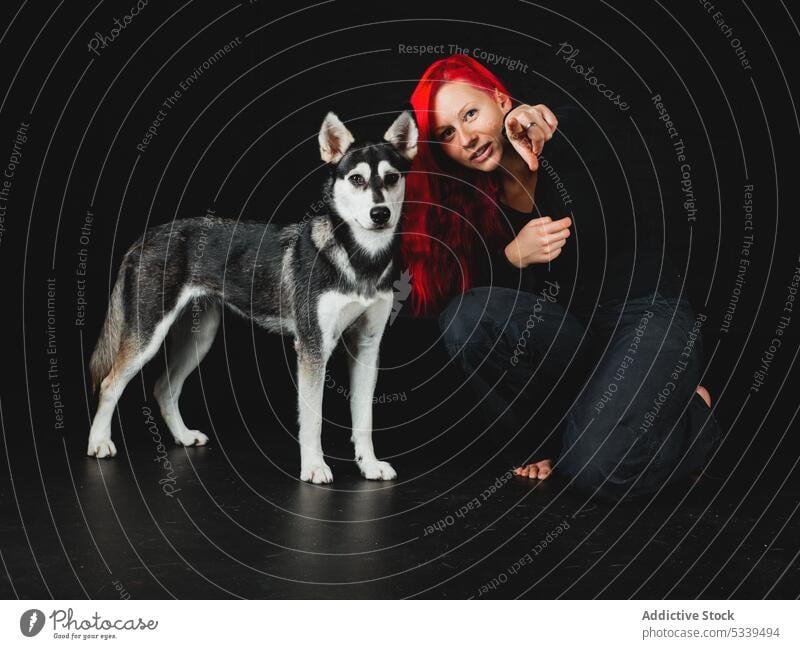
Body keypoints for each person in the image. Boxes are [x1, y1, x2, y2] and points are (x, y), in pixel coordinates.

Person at [401, 54, 721, 502]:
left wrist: (537, 118)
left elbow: (584, 126)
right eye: (448, 134)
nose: (468, 138)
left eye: (470, 114)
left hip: (646, 314)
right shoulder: (474, 203)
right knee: (467, 315)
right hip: (576, 337)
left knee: (596, 471)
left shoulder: (561, 135)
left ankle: (692, 414)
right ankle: (560, 442)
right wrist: (512, 256)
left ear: (499, 98)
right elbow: (483, 311)